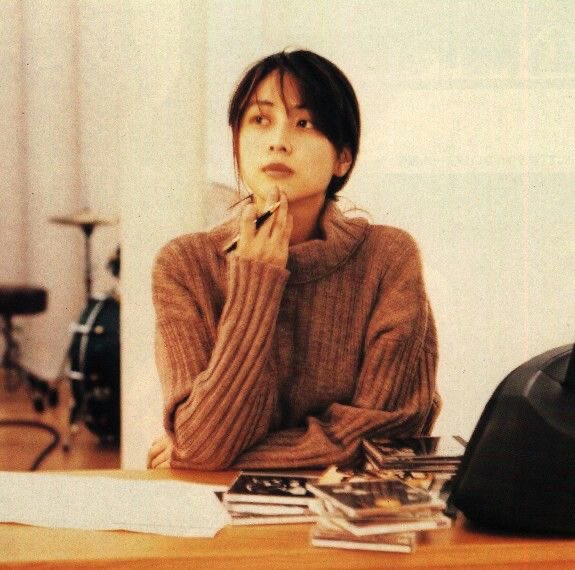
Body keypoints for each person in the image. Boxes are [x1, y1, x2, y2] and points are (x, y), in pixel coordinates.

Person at [147, 49, 440, 470]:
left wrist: (219, 452)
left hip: (351, 503)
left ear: (343, 157)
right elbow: (203, 446)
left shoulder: (388, 258)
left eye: (304, 123)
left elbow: (386, 433)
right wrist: (256, 280)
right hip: (217, 506)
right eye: (260, 120)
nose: (278, 141)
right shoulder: (185, 266)